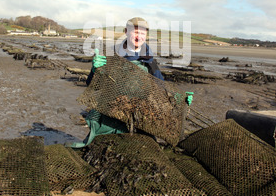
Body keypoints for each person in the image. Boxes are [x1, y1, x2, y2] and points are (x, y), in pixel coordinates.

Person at [71, 17, 193, 147]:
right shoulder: (111, 55)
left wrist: (181, 98)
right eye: (135, 32)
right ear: (126, 31)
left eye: (142, 33)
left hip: (140, 118)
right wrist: (94, 70)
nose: (138, 36)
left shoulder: (150, 61)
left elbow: (162, 89)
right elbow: (92, 86)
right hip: (110, 116)